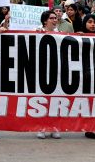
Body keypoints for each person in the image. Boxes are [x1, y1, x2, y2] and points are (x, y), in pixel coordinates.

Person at [37, 10, 61, 139]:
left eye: (56, 18)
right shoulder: (37, 31)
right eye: (52, 18)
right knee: (42, 100)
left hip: (56, 70)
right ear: (45, 20)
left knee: (56, 100)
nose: (55, 20)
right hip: (41, 70)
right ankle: (42, 127)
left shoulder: (60, 33)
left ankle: (54, 127)